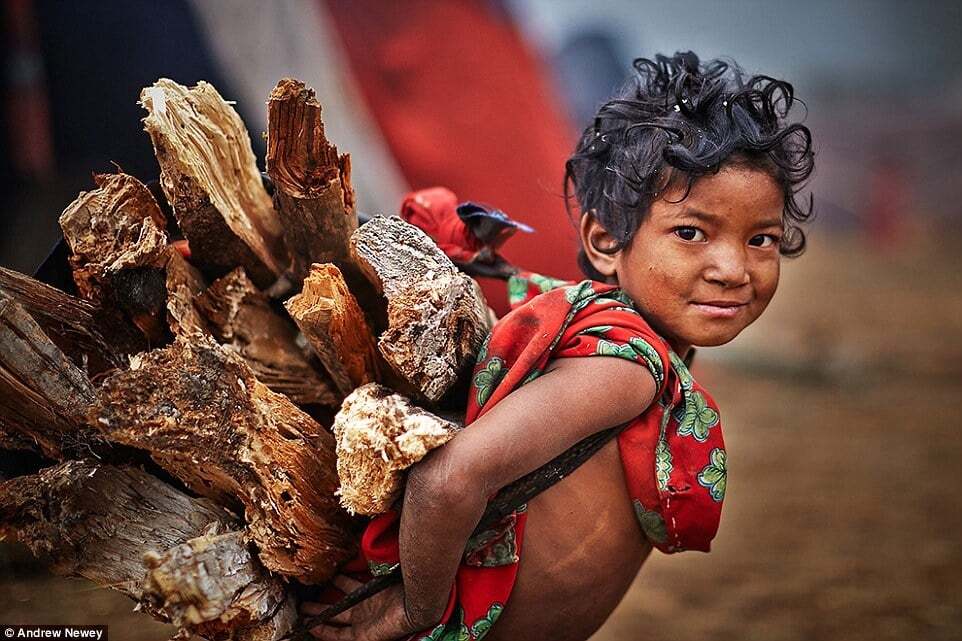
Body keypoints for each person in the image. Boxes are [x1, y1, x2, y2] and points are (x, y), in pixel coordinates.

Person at [304, 51, 814, 641]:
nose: (732, 268)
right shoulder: (627, 368)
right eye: (691, 232)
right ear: (604, 242)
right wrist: (415, 611)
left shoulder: (617, 343)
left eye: (761, 239)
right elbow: (449, 481)